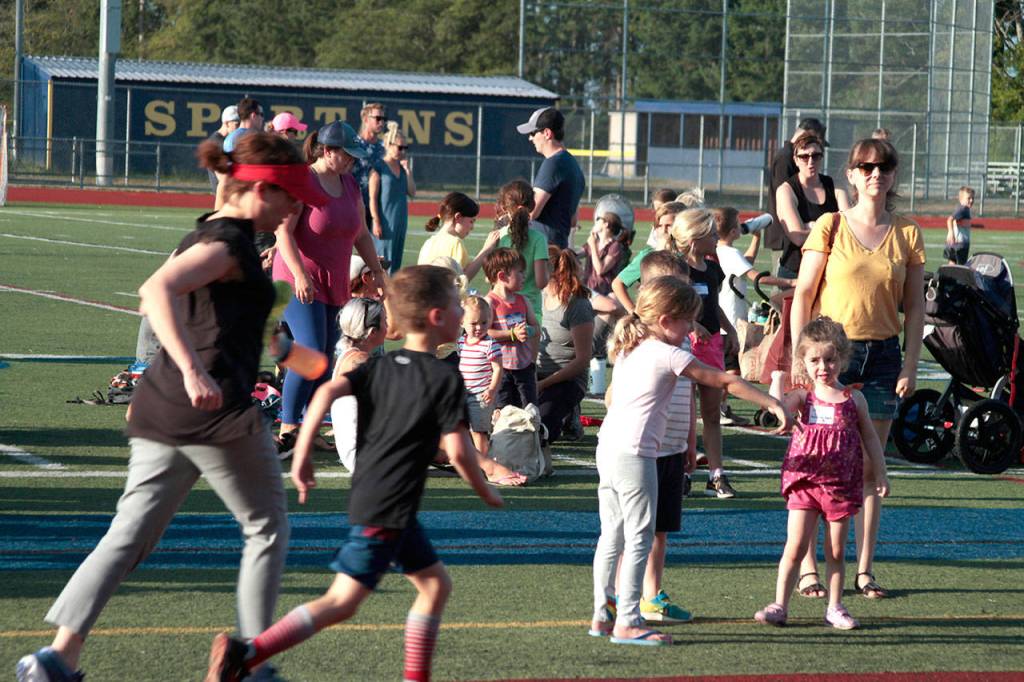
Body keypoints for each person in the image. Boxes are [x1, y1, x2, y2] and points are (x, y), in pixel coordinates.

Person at [16, 132, 328, 682]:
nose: (297, 207)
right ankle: (252, 662)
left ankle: (55, 658)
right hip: (214, 414)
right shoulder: (227, 244)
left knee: (130, 533)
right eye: (290, 197)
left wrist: (300, 359)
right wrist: (192, 369)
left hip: (164, 412)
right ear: (259, 189)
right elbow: (155, 291)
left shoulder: (213, 234)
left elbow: (223, 323)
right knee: (266, 525)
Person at [204, 265, 503, 682]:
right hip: (389, 508)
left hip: (384, 501)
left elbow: (325, 390)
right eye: (456, 306)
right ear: (437, 317)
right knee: (341, 602)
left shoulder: (383, 364)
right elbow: (458, 451)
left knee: (434, 586)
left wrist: (304, 450)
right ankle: (247, 653)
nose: (461, 312)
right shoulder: (440, 377)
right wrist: (485, 489)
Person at [589, 276, 791, 646]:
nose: (691, 330)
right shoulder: (668, 353)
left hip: (609, 448)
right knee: (639, 536)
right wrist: (772, 402)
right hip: (635, 454)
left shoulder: (632, 344)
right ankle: (628, 621)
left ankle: (604, 611)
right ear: (666, 320)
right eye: (687, 322)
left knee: (613, 534)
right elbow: (722, 381)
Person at [789, 137, 924, 601]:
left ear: (893, 175)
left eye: (883, 166)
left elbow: (914, 310)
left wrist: (910, 363)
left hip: (884, 358)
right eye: (865, 167)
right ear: (850, 174)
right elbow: (803, 296)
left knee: (871, 466)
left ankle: (864, 571)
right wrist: (799, 361)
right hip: (829, 359)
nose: (874, 174)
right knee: (816, 464)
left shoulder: (907, 232)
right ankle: (807, 567)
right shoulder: (829, 225)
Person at [756, 318, 890, 629]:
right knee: (795, 546)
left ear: (842, 359)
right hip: (804, 482)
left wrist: (881, 472)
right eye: (815, 360)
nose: (823, 367)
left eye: (830, 359)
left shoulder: (854, 399)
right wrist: (778, 388)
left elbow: (870, 436)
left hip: (840, 485)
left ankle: (835, 606)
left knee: (836, 550)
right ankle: (780, 604)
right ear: (803, 361)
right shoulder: (804, 397)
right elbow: (781, 407)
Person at [272, 121, 385, 456]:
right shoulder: (302, 181)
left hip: (332, 281)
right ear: (327, 150)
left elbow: (361, 233)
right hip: (297, 279)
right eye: (347, 155)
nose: (352, 161)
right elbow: (283, 233)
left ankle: (311, 426)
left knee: (326, 355)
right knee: (310, 351)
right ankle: (288, 427)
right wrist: (300, 275)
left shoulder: (350, 185)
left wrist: (377, 271)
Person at [634, 250, 697, 626]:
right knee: (635, 530)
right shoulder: (639, 344)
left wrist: (691, 439)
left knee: (661, 529)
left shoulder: (683, 342)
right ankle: (624, 597)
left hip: (672, 444)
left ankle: (652, 595)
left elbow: (687, 393)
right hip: (643, 448)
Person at [666, 208, 741, 498]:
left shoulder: (711, 268)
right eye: (710, 234)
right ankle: (683, 472)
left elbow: (713, 305)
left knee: (711, 413)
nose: (715, 238)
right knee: (682, 414)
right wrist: (691, 323)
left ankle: (716, 474)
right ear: (695, 239)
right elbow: (671, 305)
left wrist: (729, 329)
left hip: (711, 345)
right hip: (683, 346)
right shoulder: (677, 269)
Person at [713, 207, 795, 425]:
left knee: (726, 367)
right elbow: (755, 276)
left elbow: (744, 263)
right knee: (732, 369)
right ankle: (719, 409)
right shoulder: (730, 253)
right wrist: (790, 283)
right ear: (732, 231)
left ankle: (721, 407)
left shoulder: (718, 251)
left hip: (722, 318)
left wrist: (756, 237)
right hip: (729, 319)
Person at [536, 247, 595, 447]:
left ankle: (569, 413)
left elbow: (582, 359)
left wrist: (544, 384)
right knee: (506, 423)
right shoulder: (536, 295)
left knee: (539, 430)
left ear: (550, 271)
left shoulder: (577, 304)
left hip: (565, 379)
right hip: (534, 375)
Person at [774, 131, 850, 279]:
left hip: (830, 270)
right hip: (796, 272)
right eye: (804, 157)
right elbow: (797, 238)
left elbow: (849, 229)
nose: (810, 162)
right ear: (795, 160)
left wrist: (811, 226)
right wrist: (831, 226)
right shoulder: (786, 190)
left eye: (816, 156)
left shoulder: (835, 186)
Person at [330, 297, 388, 473]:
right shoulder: (360, 362)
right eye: (385, 321)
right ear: (371, 333)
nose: (388, 326)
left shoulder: (347, 355)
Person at [516, 107, 585, 248]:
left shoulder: (553, 164)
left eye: (533, 133)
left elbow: (531, 212)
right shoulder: (573, 165)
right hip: (559, 246)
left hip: (544, 249)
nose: (530, 138)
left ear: (547, 133)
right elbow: (573, 220)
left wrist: (506, 219)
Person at [484, 248, 540, 409]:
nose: (524, 276)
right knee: (504, 412)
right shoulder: (490, 303)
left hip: (524, 367)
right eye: (520, 272)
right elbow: (485, 333)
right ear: (502, 276)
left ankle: (532, 434)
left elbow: (536, 327)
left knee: (530, 410)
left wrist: (528, 331)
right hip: (500, 369)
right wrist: (512, 334)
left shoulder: (523, 300)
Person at [611, 200, 690, 313]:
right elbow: (618, 283)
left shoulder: (691, 254)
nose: (663, 230)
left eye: (669, 226)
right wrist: (634, 312)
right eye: (659, 226)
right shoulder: (649, 255)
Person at [766, 118, 828, 258]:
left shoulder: (789, 155)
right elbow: (785, 195)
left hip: (795, 234)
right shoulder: (785, 158)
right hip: (786, 235)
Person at [493, 179, 550, 316]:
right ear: (532, 205)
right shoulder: (539, 239)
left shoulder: (497, 236)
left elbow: (490, 277)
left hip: (501, 309)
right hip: (530, 310)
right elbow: (541, 282)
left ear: (504, 208)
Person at [458, 296, 504, 458]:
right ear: (461, 322)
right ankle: (470, 458)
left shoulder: (490, 344)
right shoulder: (461, 342)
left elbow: (498, 368)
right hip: (463, 394)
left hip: (481, 396)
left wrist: (492, 389)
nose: (479, 327)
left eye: (484, 322)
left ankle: (483, 462)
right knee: (462, 429)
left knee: (479, 431)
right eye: (473, 323)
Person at [417, 192, 500, 281]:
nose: (472, 227)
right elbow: (462, 279)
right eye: (471, 221)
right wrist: (487, 249)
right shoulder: (455, 243)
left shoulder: (429, 242)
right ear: (458, 217)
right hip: (444, 294)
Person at [369, 122, 416, 272]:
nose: (402, 151)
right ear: (388, 145)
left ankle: (391, 295)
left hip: (400, 222)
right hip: (385, 224)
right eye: (399, 147)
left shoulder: (402, 169)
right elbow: (373, 198)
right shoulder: (378, 167)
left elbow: (412, 192)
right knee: (383, 265)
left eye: (405, 148)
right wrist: (376, 221)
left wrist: (408, 171)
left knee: (396, 265)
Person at [352, 102, 388, 226]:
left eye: (383, 119)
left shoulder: (384, 147)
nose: (381, 122)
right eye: (378, 118)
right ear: (366, 119)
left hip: (378, 209)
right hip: (354, 204)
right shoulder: (354, 145)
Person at [583, 211, 631, 295]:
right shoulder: (593, 242)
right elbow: (573, 254)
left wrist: (593, 246)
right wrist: (572, 230)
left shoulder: (615, 246)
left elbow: (600, 270)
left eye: (598, 219)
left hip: (604, 292)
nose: (596, 222)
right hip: (588, 289)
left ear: (606, 224)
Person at [206, 105, 239, 191]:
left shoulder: (229, 140)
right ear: (227, 123)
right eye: (237, 124)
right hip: (223, 194)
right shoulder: (217, 142)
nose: (239, 127)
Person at [945, 185, 975, 265]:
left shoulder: (961, 208)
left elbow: (957, 222)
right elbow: (950, 219)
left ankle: (947, 277)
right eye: (969, 198)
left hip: (953, 243)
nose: (971, 200)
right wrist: (951, 234)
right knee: (961, 267)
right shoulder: (963, 209)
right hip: (960, 243)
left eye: (973, 198)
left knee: (952, 264)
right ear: (961, 199)